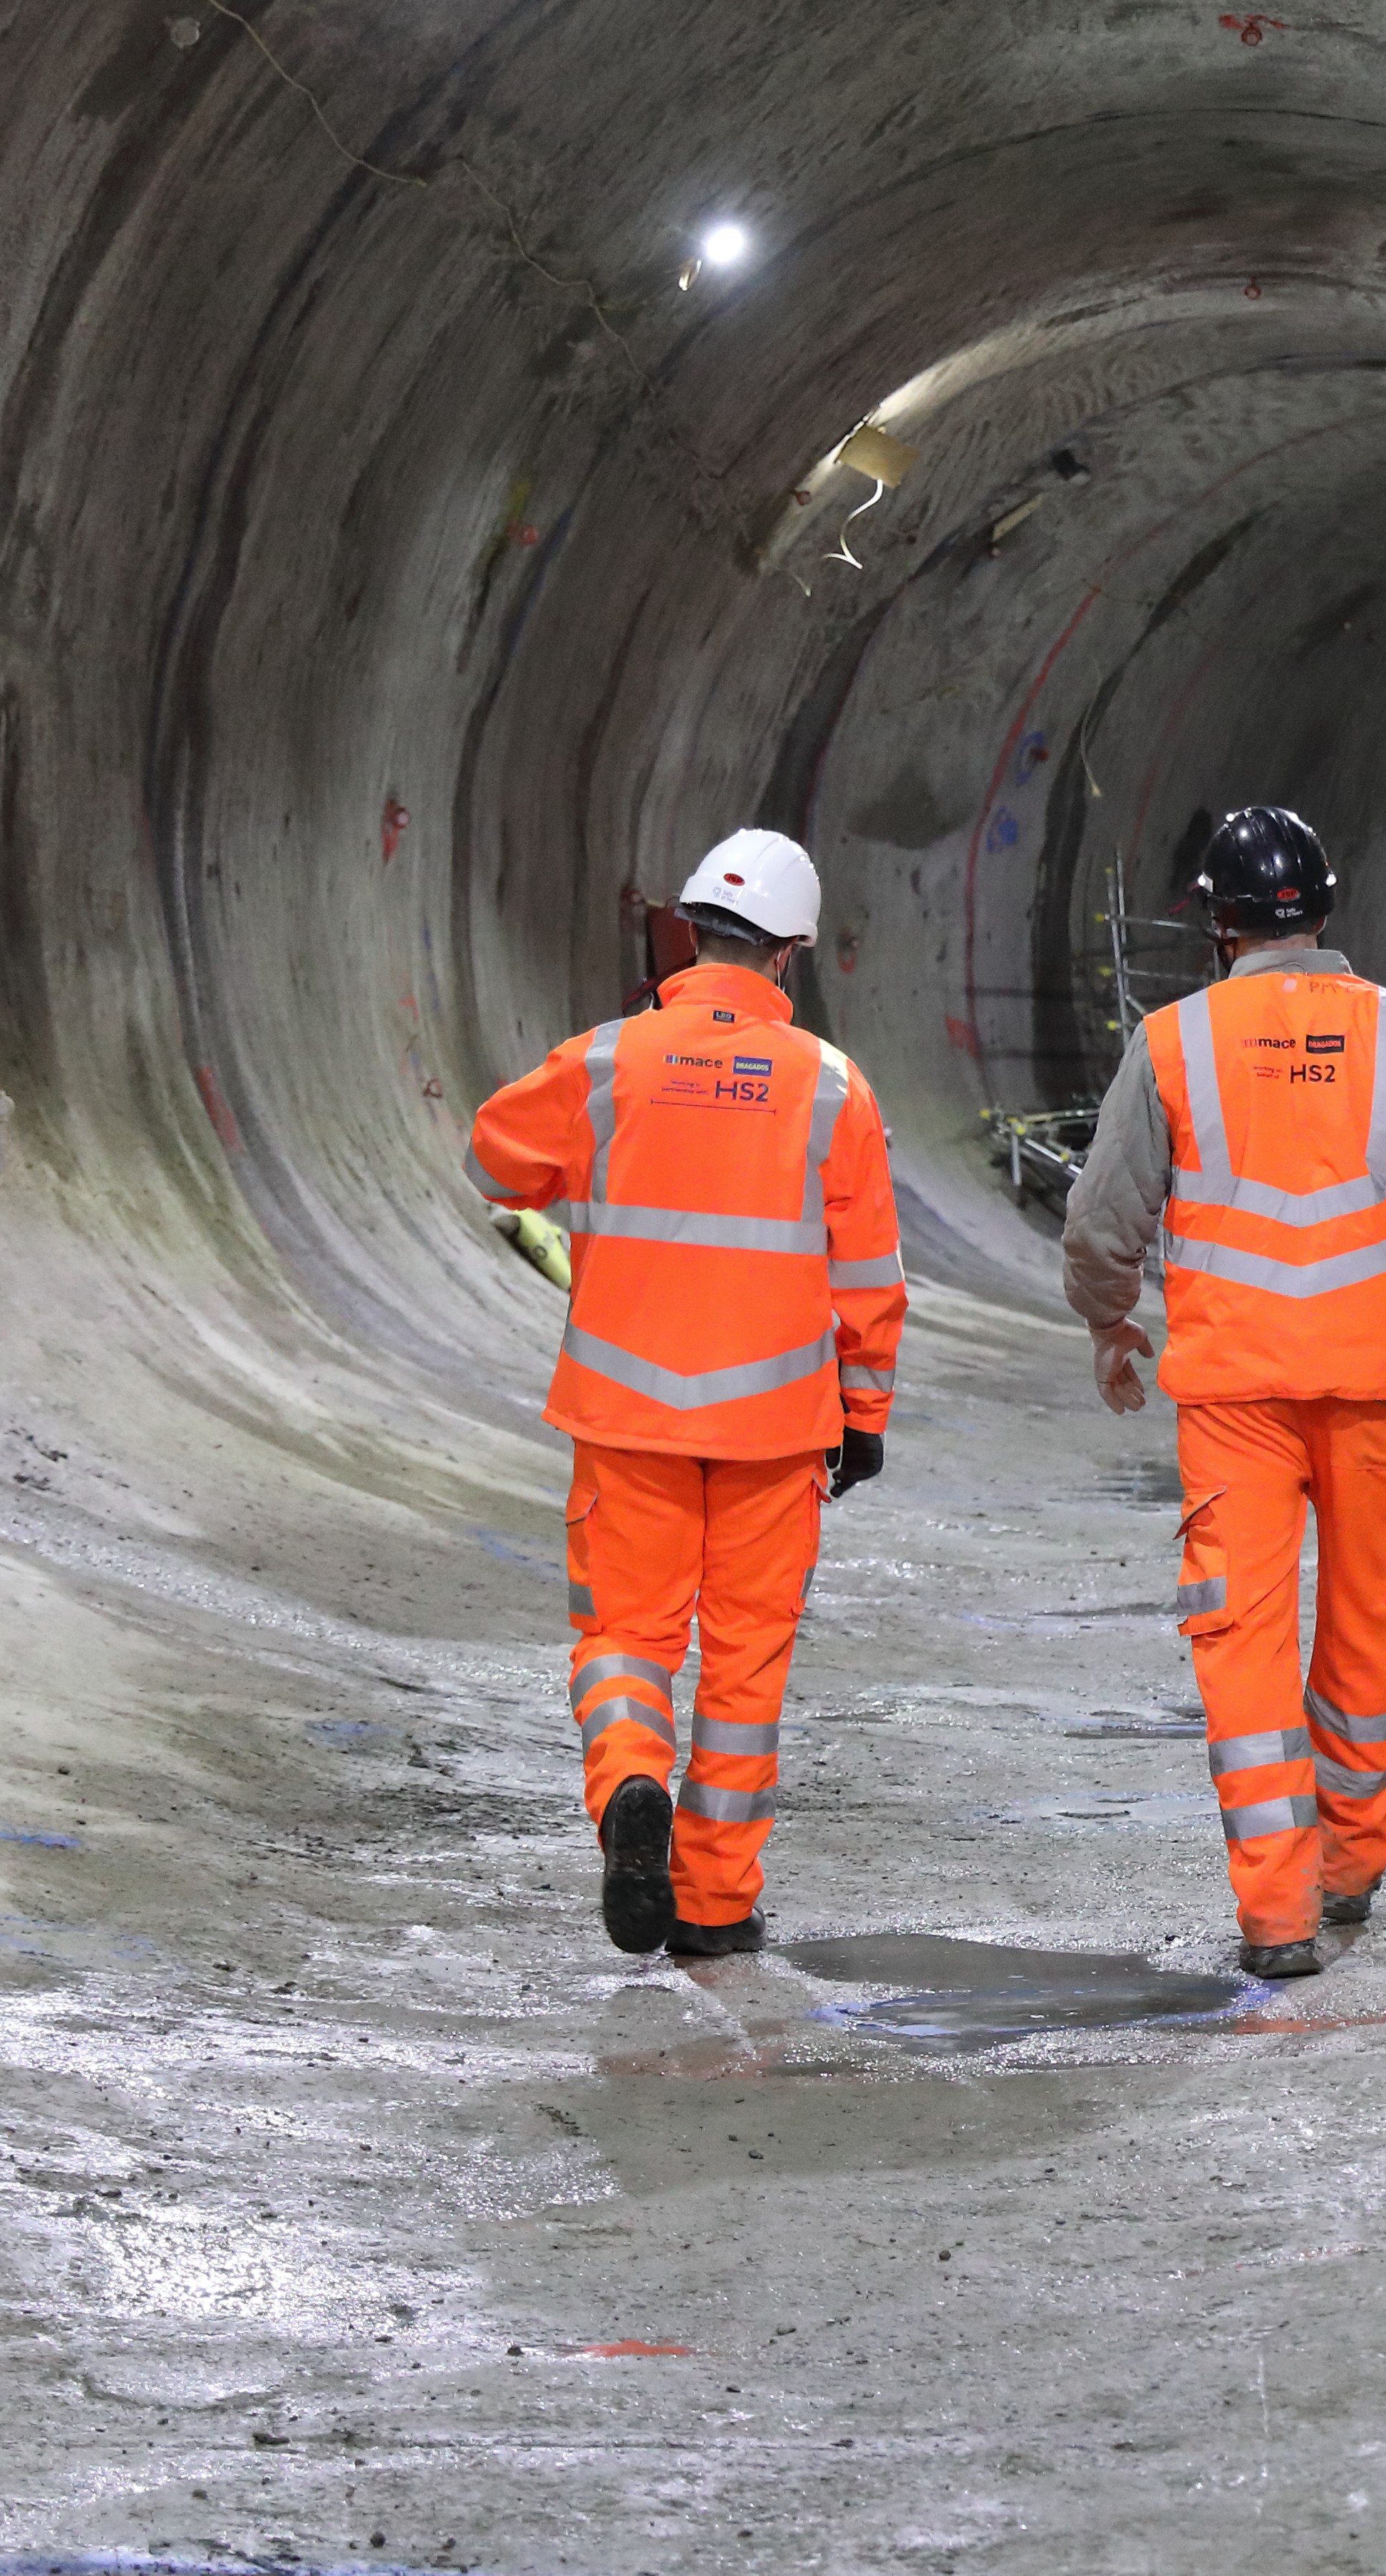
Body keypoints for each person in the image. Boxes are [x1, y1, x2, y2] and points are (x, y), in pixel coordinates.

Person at [1062, 805, 1386, 1978]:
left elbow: (1105, 1216)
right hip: (1377, 1391)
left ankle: (1277, 1916)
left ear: (1216, 924)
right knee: (1368, 1624)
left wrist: (1112, 1320)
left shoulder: (1174, 1043)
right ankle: (1352, 1866)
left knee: (1244, 1641)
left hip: (1236, 1398)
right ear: (1325, 911)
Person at [469, 829, 903, 1962]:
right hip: (773, 1429)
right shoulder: (833, 1088)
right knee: (748, 1662)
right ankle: (715, 1907)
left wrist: (606, 1157)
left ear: (687, 936)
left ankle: (628, 1790)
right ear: (789, 958)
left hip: (629, 1421)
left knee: (625, 1637)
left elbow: (496, 1158)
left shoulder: (608, 1063)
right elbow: (869, 1280)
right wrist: (864, 1416)